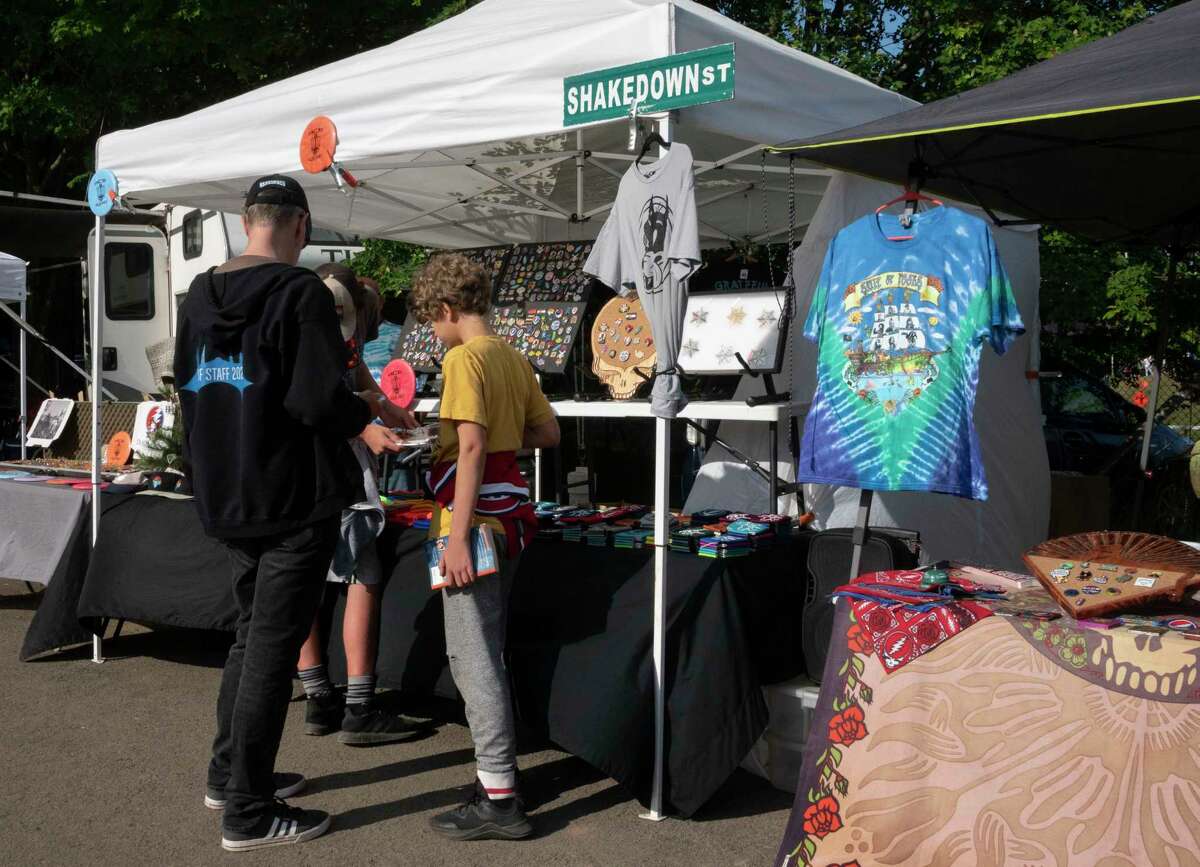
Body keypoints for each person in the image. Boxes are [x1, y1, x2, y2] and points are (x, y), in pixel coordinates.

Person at [175, 174, 405, 852]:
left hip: (227, 494)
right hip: (292, 497)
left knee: (252, 638)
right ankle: (247, 809)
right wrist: (364, 415)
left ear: (250, 221)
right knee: (271, 649)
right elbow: (315, 399)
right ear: (299, 228)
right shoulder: (300, 293)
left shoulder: (196, 296)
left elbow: (192, 396)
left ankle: (230, 773)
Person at [409, 253, 560, 841]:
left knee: (473, 660)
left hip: (472, 526)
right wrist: (500, 436)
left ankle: (499, 795)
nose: (433, 332)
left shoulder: (463, 359)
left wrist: (459, 537)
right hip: (512, 518)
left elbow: (469, 451)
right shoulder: (513, 356)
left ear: (445, 311)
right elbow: (546, 433)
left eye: (431, 322)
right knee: (487, 651)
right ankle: (497, 779)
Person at [295, 262, 428, 744]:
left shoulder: (305, 330)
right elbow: (324, 403)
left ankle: (318, 697)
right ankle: (359, 706)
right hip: (338, 478)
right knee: (361, 577)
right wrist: (367, 423)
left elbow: (360, 383)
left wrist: (383, 406)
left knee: (307, 582)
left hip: (306, 480)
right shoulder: (321, 339)